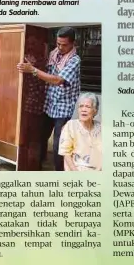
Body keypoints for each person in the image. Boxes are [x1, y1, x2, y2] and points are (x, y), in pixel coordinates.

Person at [16, 27, 81, 172]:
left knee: (59, 145)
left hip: (63, 109)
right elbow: (44, 72)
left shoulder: (74, 60)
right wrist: (32, 65)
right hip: (48, 104)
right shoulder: (54, 54)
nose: (60, 47)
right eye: (58, 44)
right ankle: (36, 168)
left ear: (73, 44)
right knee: (39, 139)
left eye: (64, 45)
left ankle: (59, 172)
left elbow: (57, 80)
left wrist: (32, 70)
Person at [59, 93, 102, 172]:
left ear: (95, 111)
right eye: (81, 106)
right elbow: (66, 154)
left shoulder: (101, 128)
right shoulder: (71, 126)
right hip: (77, 170)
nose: (83, 110)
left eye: (88, 107)